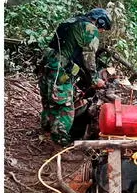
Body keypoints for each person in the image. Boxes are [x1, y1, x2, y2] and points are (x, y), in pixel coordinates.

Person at [39, 8, 111, 145]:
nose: (101, 31)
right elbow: (89, 58)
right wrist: (95, 79)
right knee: (65, 107)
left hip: (47, 64)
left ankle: (46, 126)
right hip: (61, 69)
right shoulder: (90, 28)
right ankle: (59, 140)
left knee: (49, 98)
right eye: (103, 28)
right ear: (100, 21)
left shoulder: (70, 21)